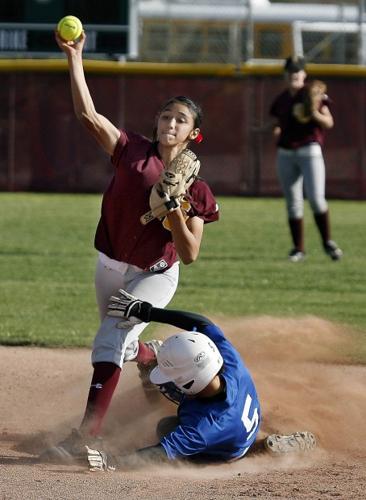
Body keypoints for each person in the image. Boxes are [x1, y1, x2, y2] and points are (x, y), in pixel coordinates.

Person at [41, 31, 219, 461]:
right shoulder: (131, 150)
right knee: (118, 345)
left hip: (154, 273)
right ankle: (149, 356)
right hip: (109, 264)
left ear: (193, 133)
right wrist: (75, 56)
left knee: (109, 337)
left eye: (181, 120)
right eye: (166, 116)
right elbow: (87, 115)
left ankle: (87, 434)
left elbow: (191, 254)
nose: (170, 124)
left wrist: (174, 209)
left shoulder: (197, 190)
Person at [83, 289, 317, 471]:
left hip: (230, 450)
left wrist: (113, 461)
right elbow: (202, 322)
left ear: (190, 385)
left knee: (164, 427)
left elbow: (161, 453)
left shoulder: (202, 427)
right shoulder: (229, 360)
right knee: (172, 402)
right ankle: (263, 436)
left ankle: (259, 449)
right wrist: (149, 311)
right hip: (241, 417)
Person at [269, 56, 343, 263]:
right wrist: (274, 130)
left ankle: (328, 242)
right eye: (291, 71)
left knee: (317, 199)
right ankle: (298, 249)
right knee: (293, 203)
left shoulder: (312, 94)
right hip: (285, 152)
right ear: (285, 74)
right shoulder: (282, 99)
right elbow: (278, 122)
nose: (294, 74)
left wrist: (313, 113)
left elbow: (328, 122)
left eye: (298, 70)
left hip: (309, 151)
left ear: (304, 74)